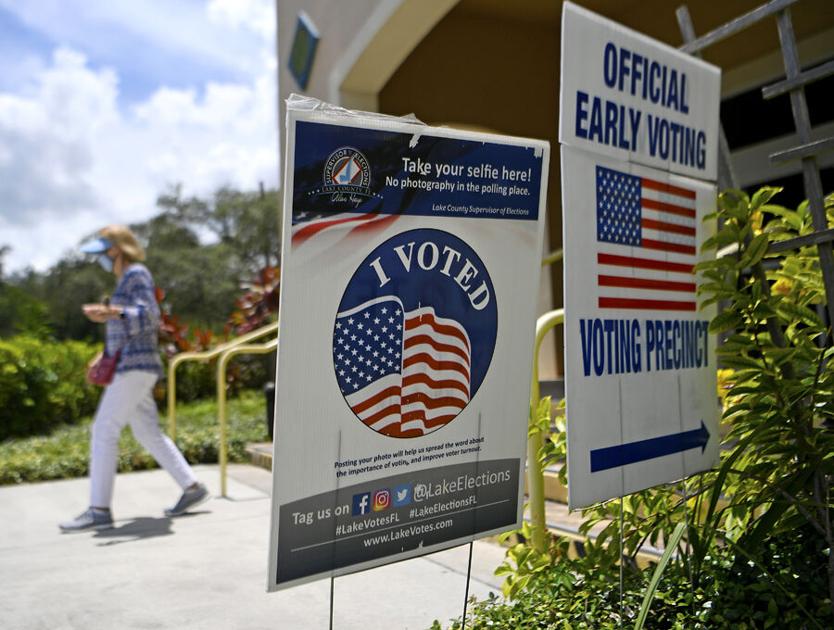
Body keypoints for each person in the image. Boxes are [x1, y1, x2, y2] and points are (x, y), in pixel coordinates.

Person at [60, 225, 209, 532]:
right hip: (133, 365)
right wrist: (103, 355)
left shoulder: (136, 273)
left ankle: (98, 509)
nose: (101, 258)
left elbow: (149, 315)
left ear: (117, 249)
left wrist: (110, 312)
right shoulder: (125, 280)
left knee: (104, 429)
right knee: (147, 432)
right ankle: (192, 487)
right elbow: (129, 325)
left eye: (103, 251)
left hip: (135, 367)